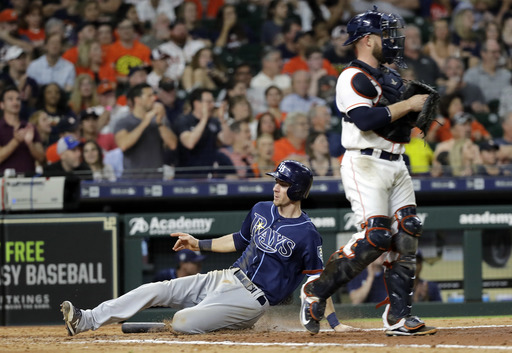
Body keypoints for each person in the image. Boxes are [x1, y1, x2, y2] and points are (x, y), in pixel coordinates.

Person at [61, 160, 348, 335]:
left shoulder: (307, 233)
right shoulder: (261, 209)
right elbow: (238, 240)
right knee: (156, 289)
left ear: (297, 190)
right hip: (225, 277)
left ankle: (216, 320)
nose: (275, 187)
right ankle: (86, 319)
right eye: (276, 181)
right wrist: (197, 243)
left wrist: (334, 323)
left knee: (183, 322)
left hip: (252, 300)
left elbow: (317, 282)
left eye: (283, 183)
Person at [299, 7, 438, 337]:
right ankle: (315, 291)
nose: (390, 41)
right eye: (384, 35)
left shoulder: (388, 77)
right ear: (366, 41)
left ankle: (398, 317)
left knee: (407, 230)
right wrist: (409, 106)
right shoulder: (351, 76)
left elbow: (396, 122)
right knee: (376, 238)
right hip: (365, 163)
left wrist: (412, 114)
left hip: (396, 161)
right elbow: (366, 120)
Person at [114, 83, 177, 179]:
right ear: (137, 100)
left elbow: (173, 145)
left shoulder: (159, 121)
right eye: (149, 96)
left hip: (156, 180)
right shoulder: (124, 122)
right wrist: (145, 122)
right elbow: (123, 144)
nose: (154, 98)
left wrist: (159, 122)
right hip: (132, 180)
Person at [174, 88, 233, 178]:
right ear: (197, 103)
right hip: (187, 175)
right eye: (208, 102)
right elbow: (189, 143)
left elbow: (228, 141)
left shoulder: (213, 121)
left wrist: (222, 120)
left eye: (213, 101)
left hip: (208, 175)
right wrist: (204, 119)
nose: (212, 105)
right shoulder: (184, 120)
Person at [0, 86, 45, 175]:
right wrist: (16, 141)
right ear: (2, 105)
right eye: (10, 99)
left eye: (18, 99)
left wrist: (30, 144)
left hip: (29, 180)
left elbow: (42, 158)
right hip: (4, 182)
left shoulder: (29, 127)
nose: (15, 102)